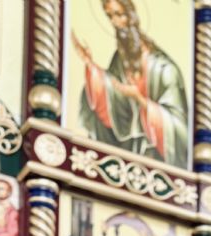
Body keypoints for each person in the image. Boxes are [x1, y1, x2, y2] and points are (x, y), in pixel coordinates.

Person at [73, 0, 189, 168]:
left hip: (153, 158)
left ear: (131, 16)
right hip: (126, 151)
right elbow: (111, 95)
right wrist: (89, 64)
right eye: (110, 16)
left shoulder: (164, 69)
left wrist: (140, 100)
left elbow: (179, 129)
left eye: (119, 15)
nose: (115, 22)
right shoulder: (120, 59)